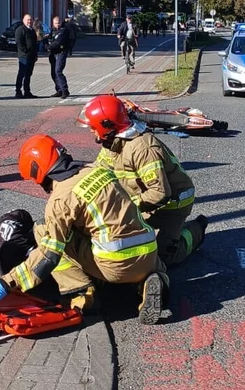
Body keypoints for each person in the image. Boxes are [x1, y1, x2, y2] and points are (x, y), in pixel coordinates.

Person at [0, 134, 168, 325]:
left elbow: (48, 256)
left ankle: (81, 292)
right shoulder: (98, 170)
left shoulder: (60, 199)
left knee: (43, 229)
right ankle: (153, 279)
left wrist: (6, 282)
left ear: (37, 171)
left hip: (114, 264)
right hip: (149, 250)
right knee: (144, 259)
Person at [78, 95, 207, 266]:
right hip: (141, 200)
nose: (91, 131)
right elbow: (98, 169)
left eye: (93, 127)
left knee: (162, 256)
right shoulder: (112, 143)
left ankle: (196, 230)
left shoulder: (143, 149)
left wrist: (124, 208)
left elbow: (160, 193)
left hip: (171, 204)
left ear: (108, 126)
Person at [46, 16, 70, 98]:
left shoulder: (63, 30)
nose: (57, 25)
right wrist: (46, 43)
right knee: (53, 73)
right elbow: (48, 39)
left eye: (58, 23)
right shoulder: (52, 30)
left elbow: (58, 42)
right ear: (53, 23)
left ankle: (65, 90)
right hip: (53, 54)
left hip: (61, 53)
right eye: (56, 23)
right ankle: (59, 90)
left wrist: (48, 47)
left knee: (58, 71)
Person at [15, 13, 38, 98]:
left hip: (32, 56)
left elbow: (35, 43)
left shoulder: (32, 30)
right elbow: (19, 43)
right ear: (23, 20)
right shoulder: (20, 30)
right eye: (28, 20)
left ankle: (27, 91)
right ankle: (18, 91)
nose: (29, 21)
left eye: (30, 20)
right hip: (24, 56)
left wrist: (35, 54)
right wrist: (26, 51)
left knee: (28, 74)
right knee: (22, 73)